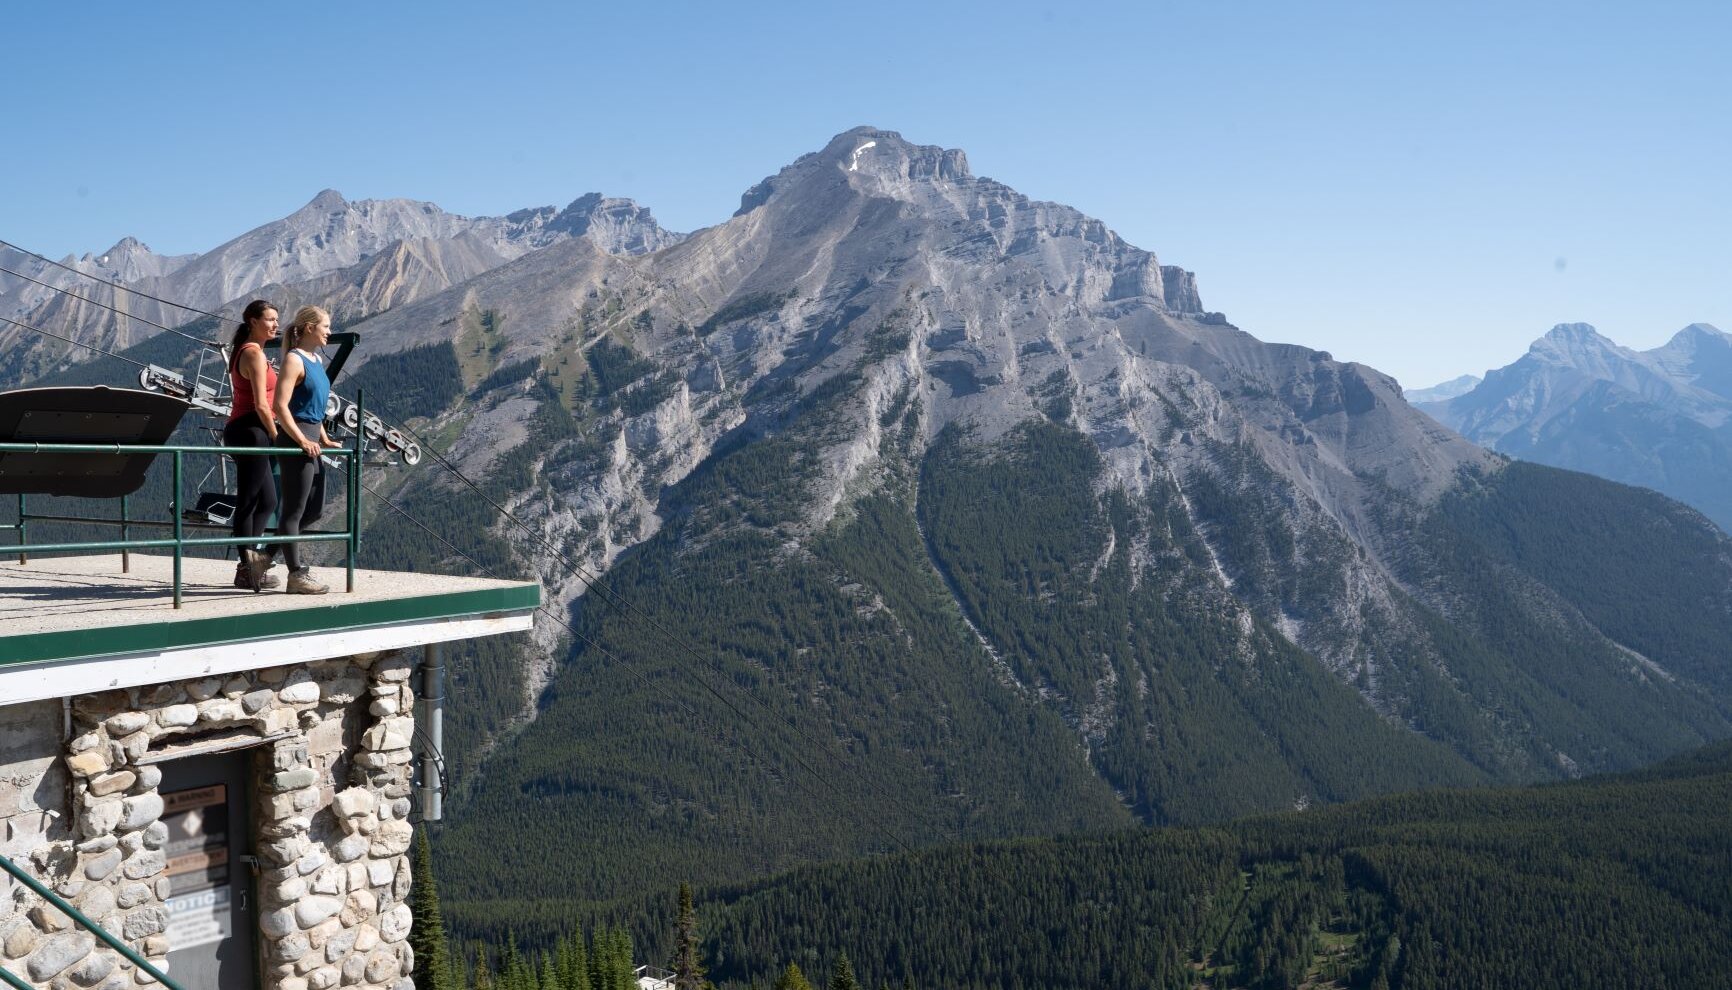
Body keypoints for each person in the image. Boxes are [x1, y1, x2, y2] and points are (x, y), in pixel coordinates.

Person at [271, 305, 342, 594]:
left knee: (314, 510)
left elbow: (313, 407)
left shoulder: (315, 359)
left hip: (311, 439)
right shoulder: (294, 359)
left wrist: (323, 437)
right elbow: (280, 406)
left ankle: (262, 557)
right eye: (326, 326)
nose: (329, 332)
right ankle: (296, 575)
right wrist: (302, 440)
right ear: (310, 328)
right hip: (296, 439)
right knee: (294, 510)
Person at [223, 299, 281, 590]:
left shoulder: (251, 351)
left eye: (276, 320)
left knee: (267, 501)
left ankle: (250, 564)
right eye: (270, 319)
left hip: (248, 431)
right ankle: (247, 569)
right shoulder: (253, 354)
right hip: (251, 431)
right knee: (249, 501)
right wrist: (276, 435)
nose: (275, 324)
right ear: (253, 322)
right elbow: (260, 404)